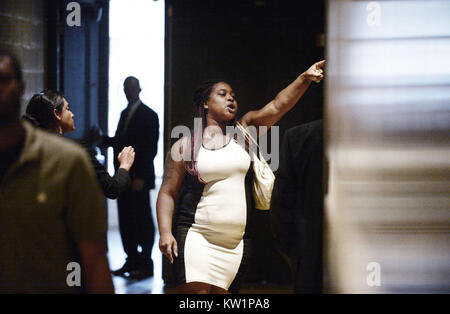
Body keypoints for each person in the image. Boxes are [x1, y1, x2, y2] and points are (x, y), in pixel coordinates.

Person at [157, 60, 325, 294]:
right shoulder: (185, 144)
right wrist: (165, 233)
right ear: (206, 103)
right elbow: (167, 192)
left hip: (236, 242)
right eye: (222, 94)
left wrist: (304, 78)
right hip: (197, 235)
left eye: (233, 95)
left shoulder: (244, 132)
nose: (231, 99)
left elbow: (278, 106)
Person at [0, 50, 114, 293]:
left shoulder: (67, 161)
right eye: (67, 109)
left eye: (3, 79)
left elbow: (94, 259)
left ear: (20, 88)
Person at [23, 90, 135, 199]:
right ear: (57, 114)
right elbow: (112, 188)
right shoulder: (76, 150)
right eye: (67, 109)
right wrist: (125, 165)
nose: (72, 114)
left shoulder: (27, 149)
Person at [102, 76, 159, 279]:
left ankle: (145, 262)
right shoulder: (125, 113)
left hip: (138, 179)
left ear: (139, 89)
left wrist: (141, 177)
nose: (129, 91)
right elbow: (121, 141)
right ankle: (131, 259)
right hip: (124, 176)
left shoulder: (149, 115)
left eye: (132, 88)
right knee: (126, 220)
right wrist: (102, 140)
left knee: (142, 220)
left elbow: (150, 149)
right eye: (126, 88)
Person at [270, 119, 324, 294]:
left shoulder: (299, 137)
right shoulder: (381, 135)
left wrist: (292, 250)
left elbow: (282, 201)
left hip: (310, 248)